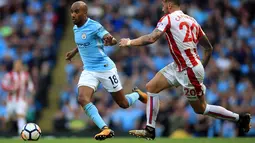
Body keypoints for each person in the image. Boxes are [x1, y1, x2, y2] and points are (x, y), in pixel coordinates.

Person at [119, 0, 251, 140]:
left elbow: (152, 38)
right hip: (181, 66)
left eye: (164, 4)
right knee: (151, 87)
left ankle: (240, 119)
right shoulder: (192, 20)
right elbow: (209, 48)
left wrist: (129, 42)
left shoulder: (168, 18)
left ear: (169, 5)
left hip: (189, 70)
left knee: (201, 109)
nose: (162, 7)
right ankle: (150, 129)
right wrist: (200, 70)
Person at [65, 1, 147, 140]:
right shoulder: (75, 28)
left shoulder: (95, 26)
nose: (73, 15)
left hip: (105, 68)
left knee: (123, 104)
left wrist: (110, 40)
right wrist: (73, 52)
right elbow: (83, 43)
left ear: (85, 13)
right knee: (82, 98)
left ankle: (137, 95)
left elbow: (112, 40)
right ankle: (105, 128)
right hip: (89, 70)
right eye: (72, 11)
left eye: (77, 12)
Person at [1, 60, 34, 134]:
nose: (18, 66)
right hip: (11, 100)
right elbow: (3, 85)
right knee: (8, 117)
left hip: (21, 99)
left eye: (20, 65)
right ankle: (5, 126)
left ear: (22, 66)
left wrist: (31, 91)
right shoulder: (9, 75)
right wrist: (11, 89)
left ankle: (22, 133)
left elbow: (30, 85)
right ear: (14, 66)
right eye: (17, 65)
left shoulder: (25, 75)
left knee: (21, 115)